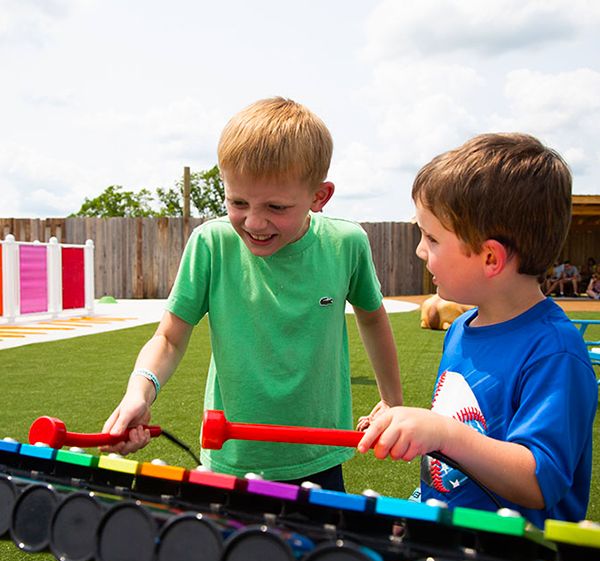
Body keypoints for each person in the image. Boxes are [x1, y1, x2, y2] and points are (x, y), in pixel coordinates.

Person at [102, 97, 403, 491]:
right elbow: (169, 338)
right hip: (232, 456)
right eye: (238, 202)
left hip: (321, 454)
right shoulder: (211, 244)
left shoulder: (346, 243)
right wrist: (139, 391)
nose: (255, 222)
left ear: (319, 196)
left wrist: (393, 403)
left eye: (276, 207)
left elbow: (372, 316)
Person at [358, 133, 597, 528]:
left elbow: (540, 479)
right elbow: (455, 445)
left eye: (432, 238)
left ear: (490, 258)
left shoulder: (554, 352)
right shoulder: (461, 328)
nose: (420, 250)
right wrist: (421, 501)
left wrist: (443, 434)